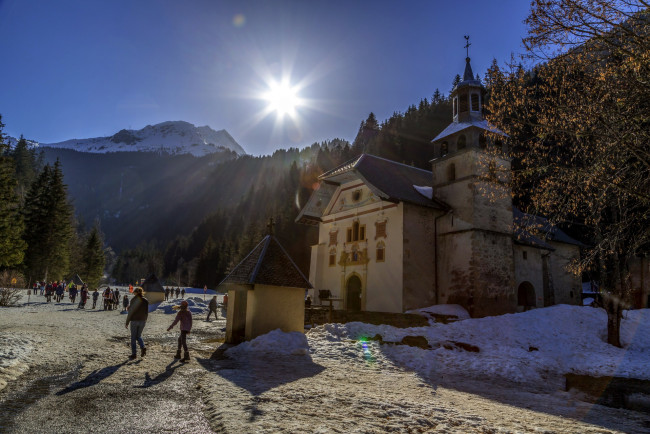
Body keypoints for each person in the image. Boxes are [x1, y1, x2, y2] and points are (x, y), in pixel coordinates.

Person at [125, 287, 149, 360]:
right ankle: (143, 347)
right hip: (143, 320)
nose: (133, 293)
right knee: (138, 336)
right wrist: (145, 319)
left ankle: (134, 354)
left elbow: (131, 311)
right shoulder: (145, 300)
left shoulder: (134, 299)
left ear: (136, 292)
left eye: (134, 292)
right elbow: (146, 311)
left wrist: (127, 322)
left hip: (134, 320)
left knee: (133, 338)